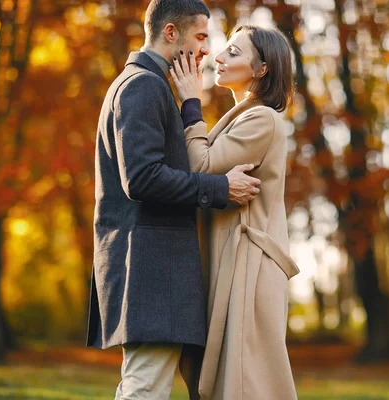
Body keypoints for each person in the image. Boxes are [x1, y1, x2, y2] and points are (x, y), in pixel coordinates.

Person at [86, 1, 262, 399]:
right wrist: (220, 189)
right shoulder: (142, 87)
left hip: (156, 274)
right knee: (145, 389)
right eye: (200, 36)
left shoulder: (147, 85)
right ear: (170, 33)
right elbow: (142, 178)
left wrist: (188, 104)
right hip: (152, 274)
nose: (205, 49)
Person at [171, 24, 300, 400]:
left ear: (261, 70)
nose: (219, 58)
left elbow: (201, 168)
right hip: (231, 262)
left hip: (249, 268)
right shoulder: (242, 118)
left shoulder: (263, 119)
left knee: (247, 383)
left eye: (234, 52)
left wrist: (190, 103)